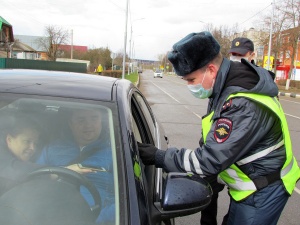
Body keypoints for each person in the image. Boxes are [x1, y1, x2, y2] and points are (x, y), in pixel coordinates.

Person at [138, 31, 300, 225]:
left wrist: (159, 157)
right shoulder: (223, 87)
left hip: (262, 191)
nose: (190, 86)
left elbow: (210, 159)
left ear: (212, 70)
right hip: (249, 185)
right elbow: (212, 139)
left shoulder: (241, 103)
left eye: (191, 80)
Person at [37, 107, 115, 224]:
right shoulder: (51, 149)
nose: (88, 125)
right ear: (70, 123)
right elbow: (35, 181)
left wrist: (98, 219)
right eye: (81, 120)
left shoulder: (115, 152)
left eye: (94, 118)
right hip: (51, 217)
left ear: (101, 121)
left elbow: (125, 197)